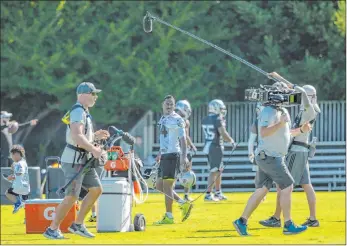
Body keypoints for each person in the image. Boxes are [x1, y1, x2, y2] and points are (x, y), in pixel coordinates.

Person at [233, 81, 312, 236]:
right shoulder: (268, 111)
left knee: (262, 190)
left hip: (270, 157)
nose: (287, 93)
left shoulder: (282, 111)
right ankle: (288, 224)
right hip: (270, 157)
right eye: (283, 90)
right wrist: (280, 123)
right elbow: (263, 132)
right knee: (288, 185)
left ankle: (241, 221)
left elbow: (286, 133)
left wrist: (301, 130)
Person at [43, 82, 110, 239]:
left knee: (96, 189)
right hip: (74, 161)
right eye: (93, 94)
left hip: (82, 160)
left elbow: (81, 136)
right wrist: (93, 149)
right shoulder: (78, 111)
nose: (96, 97)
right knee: (72, 196)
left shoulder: (83, 112)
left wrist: (95, 137)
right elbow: (76, 135)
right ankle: (52, 229)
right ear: (83, 95)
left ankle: (77, 225)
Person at [258, 72, 321, 228]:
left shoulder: (309, 109)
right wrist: (279, 79)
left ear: (309, 96)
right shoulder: (306, 109)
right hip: (301, 150)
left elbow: (300, 93)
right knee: (306, 184)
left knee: (283, 185)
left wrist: (283, 81)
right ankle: (313, 219)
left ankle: (277, 218)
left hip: (297, 151)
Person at [154, 95, 193, 225]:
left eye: (171, 104)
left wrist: (184, 156)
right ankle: (183, 203)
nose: (169, 106)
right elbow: (164, 139)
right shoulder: (163, 118)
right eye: (167, 103)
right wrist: (160, 152)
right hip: (165, 155)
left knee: (167, 186)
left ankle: (169, 216)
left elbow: (183, 139)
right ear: (162, 105)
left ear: (174, 106)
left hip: (173, 155)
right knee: (158, 185)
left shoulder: (177, 119)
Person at [201, 99, 235, 201]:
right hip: (215, 146)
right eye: (221, 108)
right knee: (214, 170)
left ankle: (218, 192)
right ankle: (208, 194)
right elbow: (223, 133)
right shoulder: (217, 119)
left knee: (219, 170)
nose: (222, 111)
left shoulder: (205, 119)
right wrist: (231, 141)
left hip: (208, 146)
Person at [175, 100, 197, 201]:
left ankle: (174, 193)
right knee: (186, 172)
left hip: (175, 149)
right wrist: (192, 145)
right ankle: (186, 195)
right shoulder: (183, 121)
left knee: (178, 173)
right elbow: (186, 136)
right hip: (181, 149)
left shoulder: (172, 119)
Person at [248, 103, 266, 202]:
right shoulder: (258, 121)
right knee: (259, 174)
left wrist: (250, 152)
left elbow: (251, 140)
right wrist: (250, 152)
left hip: (262, 151)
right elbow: (251, 140)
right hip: (264, 151)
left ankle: (260, 193)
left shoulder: (258, 121)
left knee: (259, 174)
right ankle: (260, 193)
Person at [4, 145, 30, 214]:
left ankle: (18, 203)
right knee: (26, 204)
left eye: (12, 155)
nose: (12, 157)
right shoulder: (23, 162)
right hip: (25, 187)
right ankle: (27, 218)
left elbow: (19, 174)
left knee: (7, 193)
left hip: (19, 187)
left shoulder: (19, 164)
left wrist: (11, 177)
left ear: (16, 154)